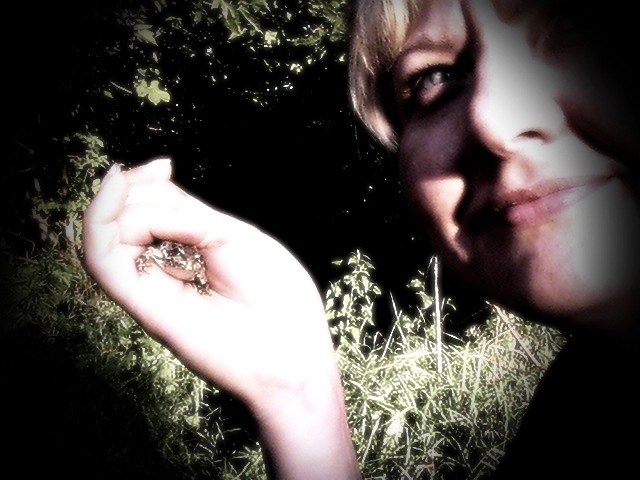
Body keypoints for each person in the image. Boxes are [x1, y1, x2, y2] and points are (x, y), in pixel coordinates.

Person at [83, 0, 640, 478]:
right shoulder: (582, 405)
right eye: (433, 77)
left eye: (570, 25)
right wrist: (299, 399)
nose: (492, 121)